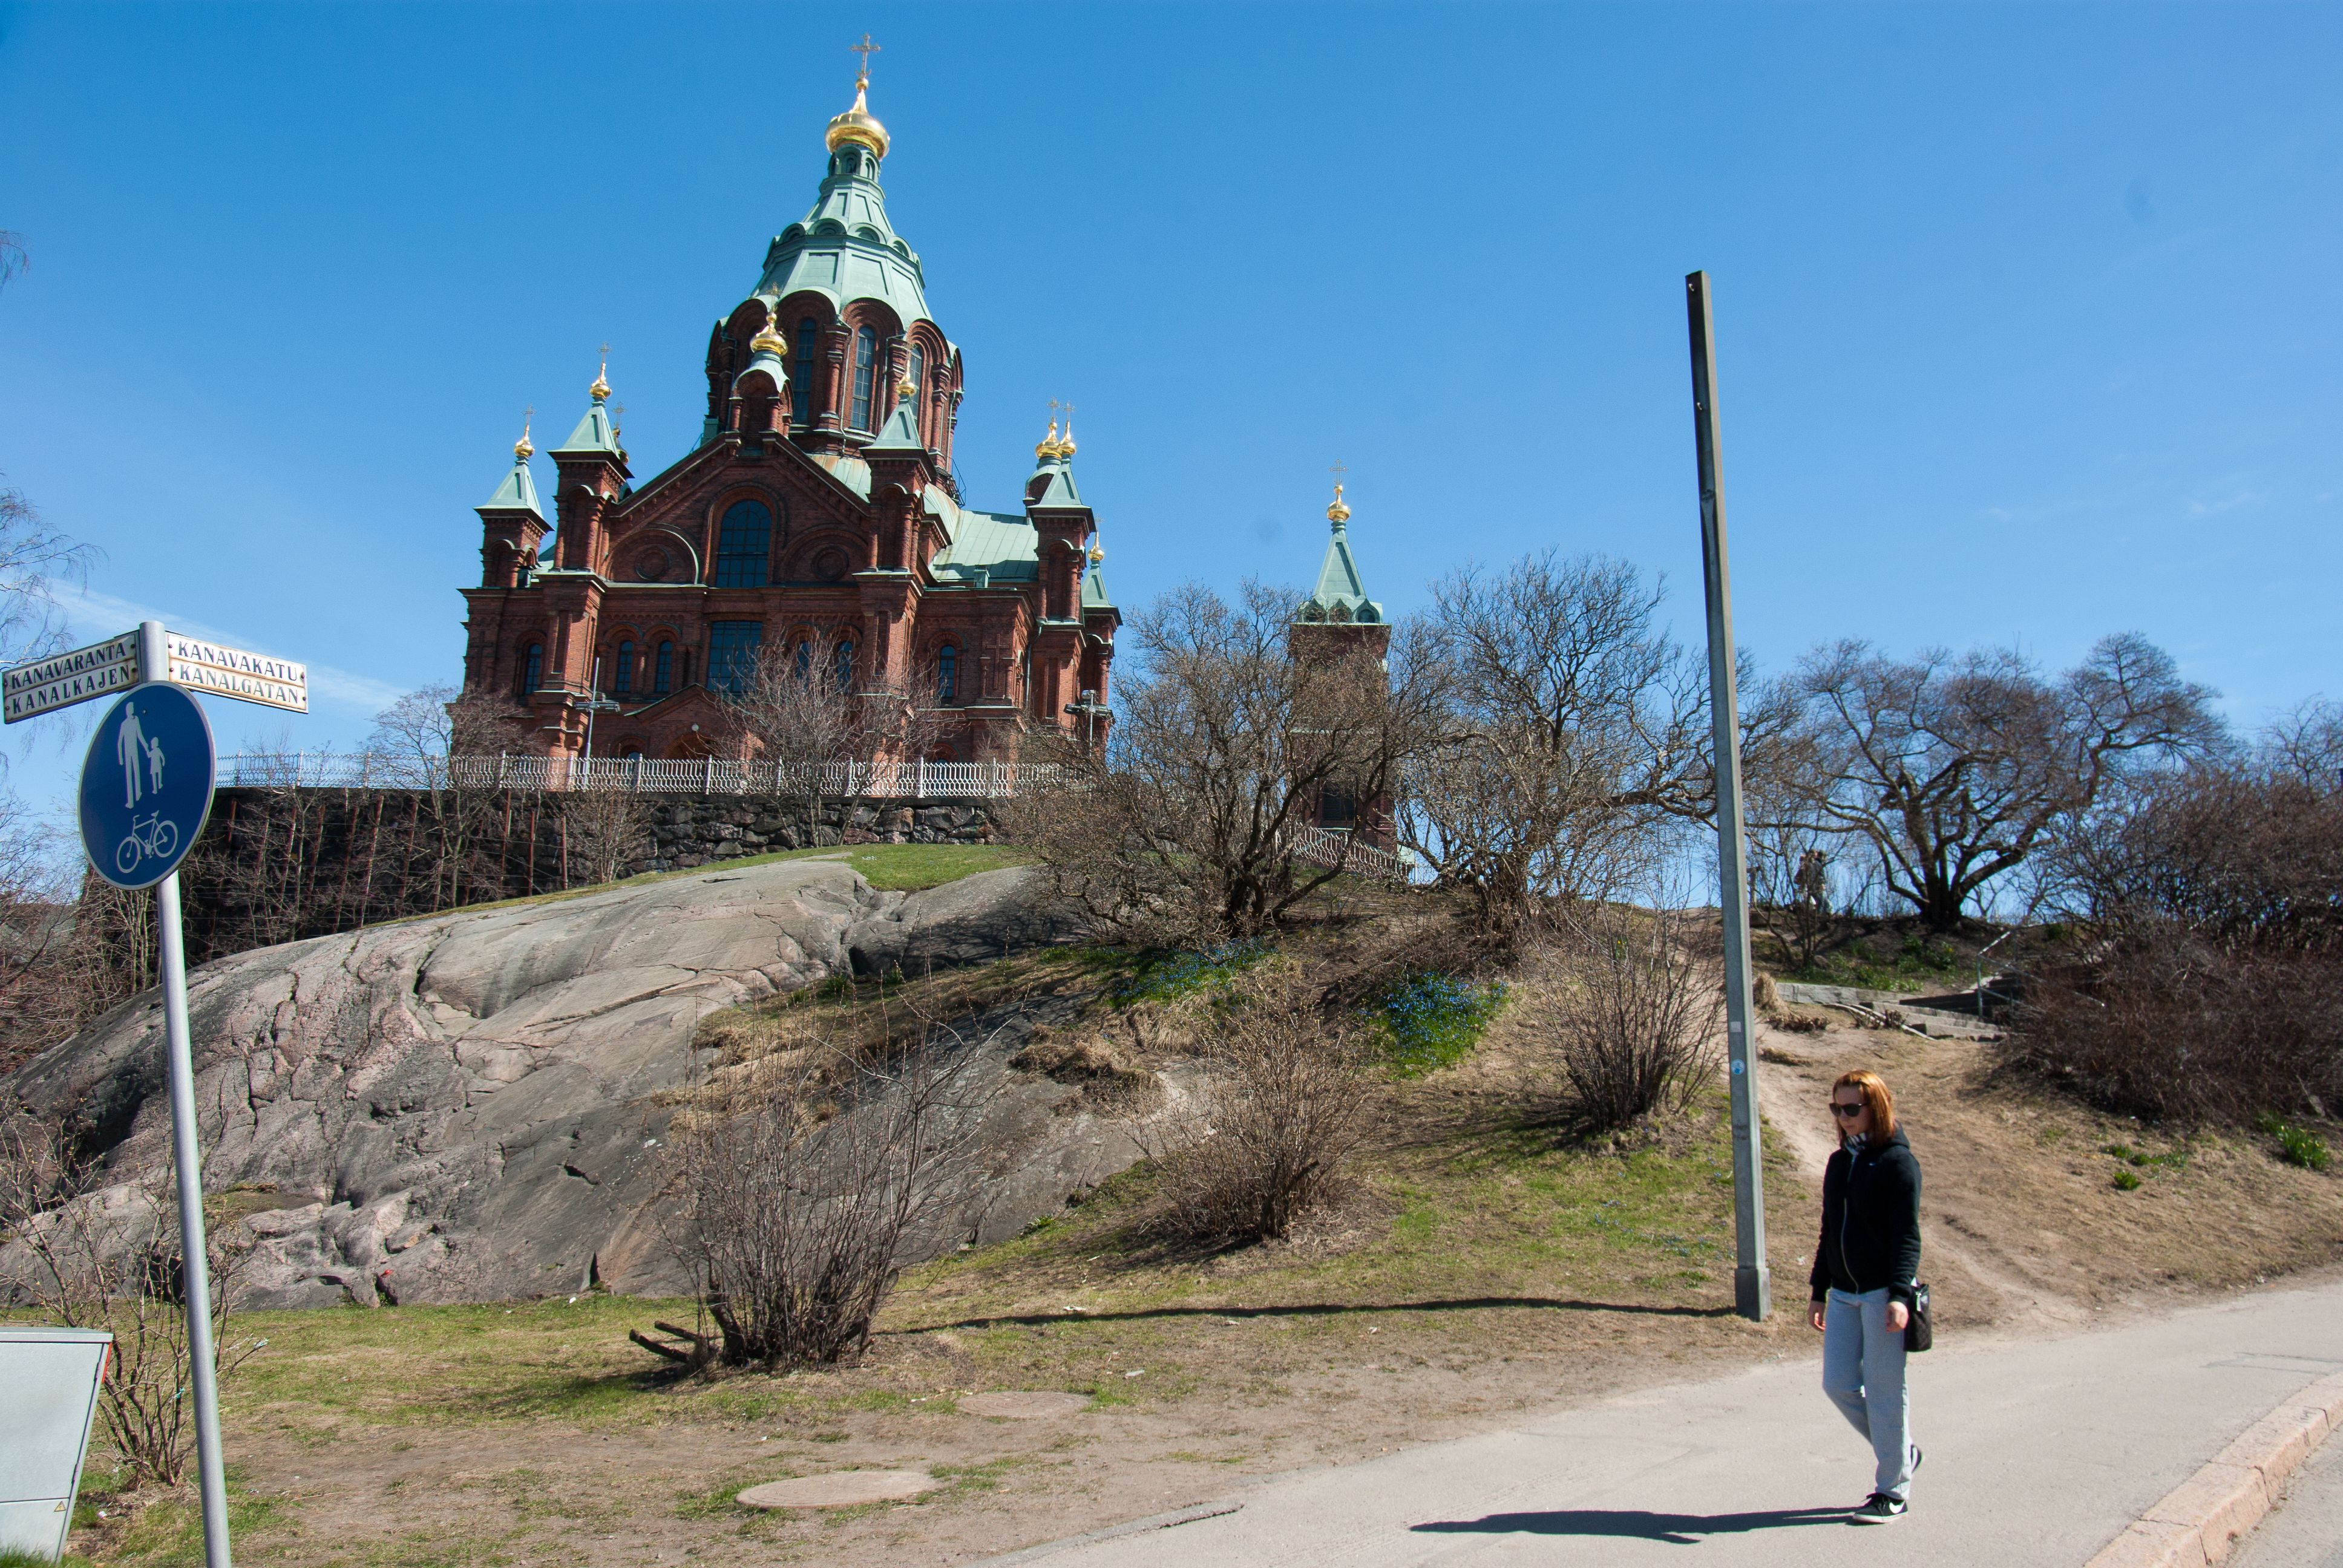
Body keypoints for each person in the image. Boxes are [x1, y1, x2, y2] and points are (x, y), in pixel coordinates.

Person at [1808, 1068, 1923, 1523]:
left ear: (1876, 1107)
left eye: (1852, 1108)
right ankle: (1901, 1453)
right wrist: (1819, 1290)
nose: (1844, 1117)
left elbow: (1906, 1237)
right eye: (1837, 1108)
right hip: (1842, 1295)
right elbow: (1829, 1230)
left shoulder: (1898, 1164)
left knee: (1884, 1392)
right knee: (1836, 1383)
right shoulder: (1840, 1162)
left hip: (1881, 1297)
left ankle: (1892, 1490)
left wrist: (1899, 1295)